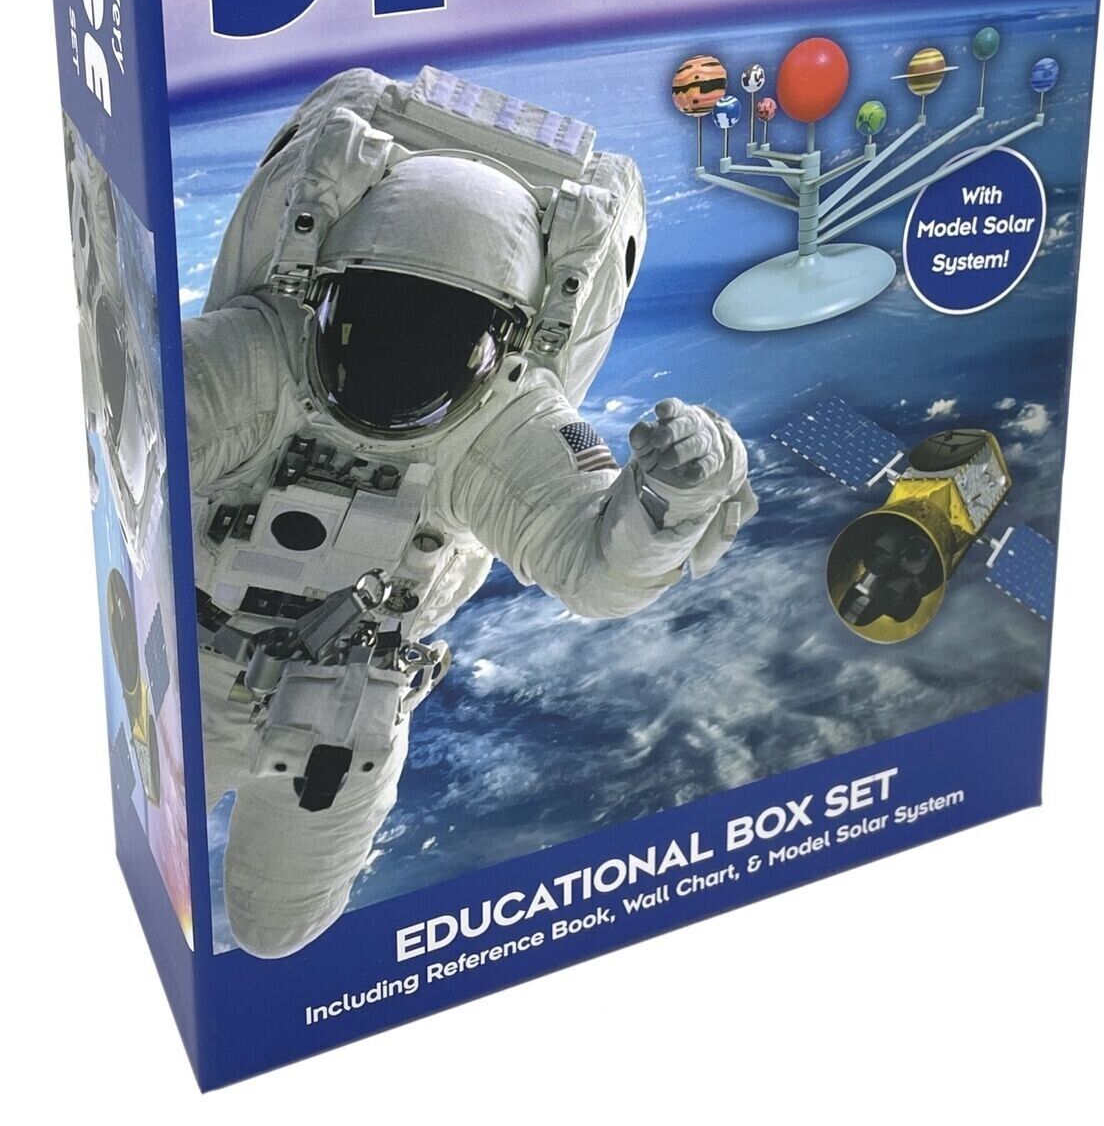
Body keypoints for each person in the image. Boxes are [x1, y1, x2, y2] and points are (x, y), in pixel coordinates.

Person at [187, 66, 756, 957]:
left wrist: (673, 498)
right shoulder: (255, 355)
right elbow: (121, 453)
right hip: (187, 669)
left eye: (434, 338)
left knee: (275, 928)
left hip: (342, 709)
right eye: (378, 319)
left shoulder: (506, 415)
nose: (400, 360)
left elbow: (599, 572)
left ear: (504, 340)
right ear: (326, 291)